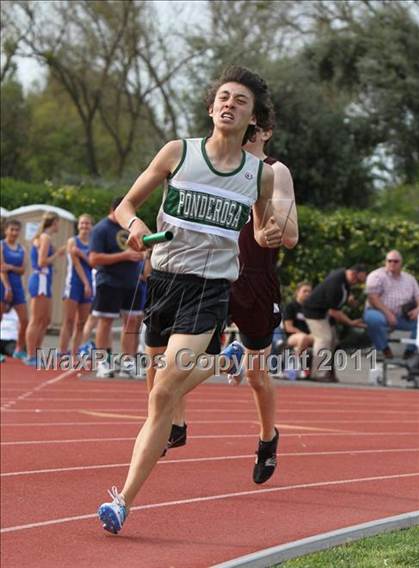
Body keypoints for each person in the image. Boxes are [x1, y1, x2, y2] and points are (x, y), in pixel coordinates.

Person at [97, 65, 286, 534]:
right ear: (210, 107)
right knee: (155, 393)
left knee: (164, 390)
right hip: (161, 282)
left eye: (240, 101)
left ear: (253, 119)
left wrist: (273, 231)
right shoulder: (179, 153)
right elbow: (123, 206)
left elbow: (261, 230)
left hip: (210, 289)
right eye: (223, 97)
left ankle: (122, 501)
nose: (229, 104)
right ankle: (230, 359)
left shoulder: (258, 176)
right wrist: (136, 227)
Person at [163, 122, 299, 483]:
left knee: (256, 375)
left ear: (267, 131)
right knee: (181, 354)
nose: (248, 130)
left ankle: (268, 438)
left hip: (255, 280)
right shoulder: (214, 163)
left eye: (256, 126)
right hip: (211, 275)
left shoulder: (274, 171)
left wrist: (274, 227)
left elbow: (291, 234)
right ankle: (175, 424)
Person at [88, 197, 148, 378]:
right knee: (105, 321)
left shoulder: (131, 227)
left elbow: (141, 251)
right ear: (116, 210)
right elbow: (93, 259)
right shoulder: (101, 229)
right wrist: (124, 256)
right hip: (109, 281)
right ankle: (102, 362)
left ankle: (128, 363)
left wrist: (143, 257)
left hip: (133, 282)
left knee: (131, 322)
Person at [303, 265, 368, 381]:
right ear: (353, 274)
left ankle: (328, 371)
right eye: (358, 281)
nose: (357, 284)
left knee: (334, 341)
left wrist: (349, 299)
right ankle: (318, 374)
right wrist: (351, 322)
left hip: (324, 313)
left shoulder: (344, 277)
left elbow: (342, 295)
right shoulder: (336, 284)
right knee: (324, 339)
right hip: (314, 312)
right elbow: (334, 312)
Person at [25, 212, 65, 366]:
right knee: (36, 319)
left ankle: (36, 351)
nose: (58, 226)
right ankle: (30, 354)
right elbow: (42, 261)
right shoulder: (45, 237)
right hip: (40, 279)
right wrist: (57, 254)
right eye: (58, 222)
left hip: (44, 279)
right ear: (54, 222)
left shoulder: (42, 237)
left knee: (45, 319)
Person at [364, 250, 419, 359]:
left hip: (402, 316)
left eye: (395, 261)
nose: (392, 263)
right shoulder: (376, 276)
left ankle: (411, 351)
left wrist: (418, 309)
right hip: (379, 312)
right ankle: (384, 349)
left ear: (401, 263)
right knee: (373, 319)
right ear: (385, 262)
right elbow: (372, 298)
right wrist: (388, 314)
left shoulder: (409, 279)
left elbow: (418, 296)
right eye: (389, 261)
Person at [58, 214, 94, 356]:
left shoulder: (93, 244)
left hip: (88, 285)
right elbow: (76, 264)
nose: (84, 226)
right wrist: (86, 284)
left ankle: (75, 352)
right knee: (69, 320)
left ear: (91, 226)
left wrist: (82, 254)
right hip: (74, 284)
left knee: (81, 322)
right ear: (78, 225)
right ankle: (62, 351)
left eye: (87, 223)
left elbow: (93, 263)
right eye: (82, 223)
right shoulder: (72, 241)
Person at [0, 219, 28, 359]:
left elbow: (23, 270)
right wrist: (7, 287)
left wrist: (11, 267)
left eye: (17, 230)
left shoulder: (22, 248)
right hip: (3, 284)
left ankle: (19, 348)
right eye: (12, 229)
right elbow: (1, 268)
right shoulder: (1, 246)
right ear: (6, 230)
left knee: (25, 319)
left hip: (17, 285)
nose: (14, 233)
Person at [283, 281, 313, 355]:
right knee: (303, 338)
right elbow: (289, 327)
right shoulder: (291, 307)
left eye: (309, 292)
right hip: (293, 336)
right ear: (297, 292)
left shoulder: (312, 309)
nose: (307, 294)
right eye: (305, 291)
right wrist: (303, 334)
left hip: (309, 336)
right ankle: (296, 363)